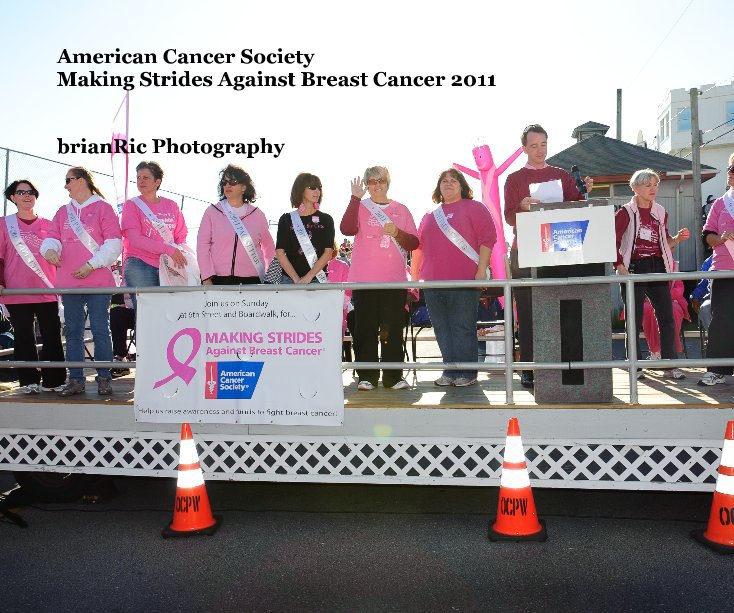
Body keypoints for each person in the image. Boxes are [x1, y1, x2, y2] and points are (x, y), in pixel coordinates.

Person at [504, 124, 593, 388]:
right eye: (533, 146)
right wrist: (521, 205)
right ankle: (529, 367)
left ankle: (561, 365)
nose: (539, 150)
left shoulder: (561, 174)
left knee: (560, 309)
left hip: (557, 250)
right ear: (524, 149)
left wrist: (584, 189)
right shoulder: (514, 179)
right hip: (525, 250)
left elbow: (576, 205)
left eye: (543, 144)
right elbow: (509, 216)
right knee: (529, 313)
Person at [41, 167, 122, 396]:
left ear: (82, 180)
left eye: (69, 180)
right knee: (73, 332)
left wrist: (91, 265)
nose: (65, 185)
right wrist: (49, 250)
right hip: (69, 282)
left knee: (100, 330)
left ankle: (104, 378)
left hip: (98, 281)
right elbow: (52, 238)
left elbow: (114, 243)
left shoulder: (103, 208)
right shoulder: (62, 211)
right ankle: (75, 379)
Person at [412, 168, 495, 387]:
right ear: (438, 187)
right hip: (432, 281)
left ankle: (467, 373)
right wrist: (414, 277)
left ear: (462, 186)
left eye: (454, 180)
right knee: (441, 327)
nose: (448, 184)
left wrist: (481, 270)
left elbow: (488, 239)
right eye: (444, 181)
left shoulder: (475, 208)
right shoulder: (430, 215)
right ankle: (449, 370)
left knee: (463, 326)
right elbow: (418, 248)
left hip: (464, 280)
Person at [341, 167, 419, 391]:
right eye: (372, 181)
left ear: (388, 183)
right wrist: (355, 198)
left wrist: (397, 233)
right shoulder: (360, 206)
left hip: (393, 280)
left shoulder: (401, 209)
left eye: (381, 180)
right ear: (366, 184)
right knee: (364, 328)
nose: (377, 185)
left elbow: (413, 243)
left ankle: (394, 376)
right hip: (364, 280)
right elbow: (346, 228)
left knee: (393, 328)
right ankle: (367, 376)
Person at [614, 168, 689, 380]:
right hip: (634, 267)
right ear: (635, 188)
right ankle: (634, 366)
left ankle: (669, 364)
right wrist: (619, 266)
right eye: (647, 185)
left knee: (666, 316)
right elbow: (613, 241)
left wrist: (677, 238)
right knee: (634, 319)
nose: (653, 189)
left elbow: (664, 242)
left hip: (657, 266)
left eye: (655, 184)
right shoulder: (625, 212)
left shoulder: (661, 211)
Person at [0, 180, 66, 393]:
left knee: (52, 335)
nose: (27, 196)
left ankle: (54, 380)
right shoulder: (3, 224)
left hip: (47, 289)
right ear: (13, 197)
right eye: (21, 192)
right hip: (17, 290)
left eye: (31, 192)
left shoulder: (50, 224)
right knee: (23, 337)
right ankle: (29, 381)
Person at [121, 161, 188, 308]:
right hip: (140, 263)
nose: (141, 181)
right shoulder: (131, 205)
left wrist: (178, 253)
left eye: (146, 177)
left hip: (168, 264)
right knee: (146, 315)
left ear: (157, 181)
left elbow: (181, 236)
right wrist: (168, 249)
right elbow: (135, 239)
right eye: (138, 177)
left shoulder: (172, 205)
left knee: (169, 312)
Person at [197, 165, 274, 285]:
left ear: (244, 187)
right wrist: (206, 278)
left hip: (253, 281)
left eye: (233, 181)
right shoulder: (212, 212)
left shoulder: (258, 215)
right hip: (217, 280)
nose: (227, 185)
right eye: (224, 182)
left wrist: (270, 279)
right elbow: (202, 246)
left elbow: (269, 249)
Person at [698, 156, 734, 386]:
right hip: (723, 268)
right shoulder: (721, 203)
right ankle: (717, 370)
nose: (730, 172)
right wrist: (721, 239)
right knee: (722, 318)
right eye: (730, 167)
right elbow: (706, 236)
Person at [275, 173, 334, 284]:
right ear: (301, 189)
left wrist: (308, 277)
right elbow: (279, 252)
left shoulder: (326, 219)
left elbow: (328, 253)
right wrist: (296, 279)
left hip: (317, 280)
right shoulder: (286, 219)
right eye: (312, 187)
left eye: (319, 187)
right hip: (289, 280)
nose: (317, 191)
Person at [642, 275, 690, 360]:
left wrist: (663, 296)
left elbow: (679, 289)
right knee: (649, 310)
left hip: (671, 299)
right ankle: (655, 351)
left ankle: (670, 351)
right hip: (647, 300)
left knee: (674, 310)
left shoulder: (672, 266)